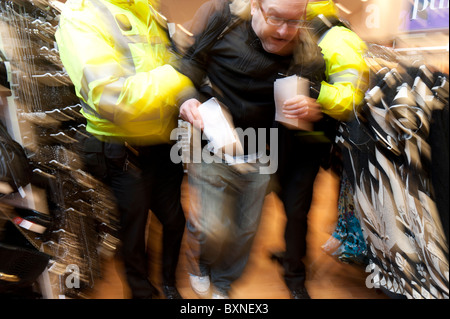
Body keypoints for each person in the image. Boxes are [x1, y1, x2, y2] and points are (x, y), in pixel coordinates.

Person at [55, 0, 194, 299]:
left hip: (163, 141)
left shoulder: (145, 7)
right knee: (134, 228)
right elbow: (114, 98)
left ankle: (169, 282)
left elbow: (165, 60)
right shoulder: (81, 16)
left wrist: (185, 89)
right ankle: (141, 291)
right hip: (122, 148)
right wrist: (179, 71)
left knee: (173, 220)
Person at [176, 0, 313, 299]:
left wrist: (310, 110)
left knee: (244, 232)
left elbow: (300, 111)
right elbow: (190, 64)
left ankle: (224, 283)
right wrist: (187, 98)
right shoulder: (224, 20)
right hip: (211, 147)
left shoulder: (304, 50)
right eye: (276, 18)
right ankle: (200, 263)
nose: (284, 30)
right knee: (213, 227)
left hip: (261, 155)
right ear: (255, 7)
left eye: (294, 21)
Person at [272, 0, 369, 299]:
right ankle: (291, 251)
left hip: (308, 140)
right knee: (283, 199)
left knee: (297, 206)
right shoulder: (286, 20)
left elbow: (352, 98)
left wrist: (316, 93)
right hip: (274, 135)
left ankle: (295, 273)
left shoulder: (339, 37)